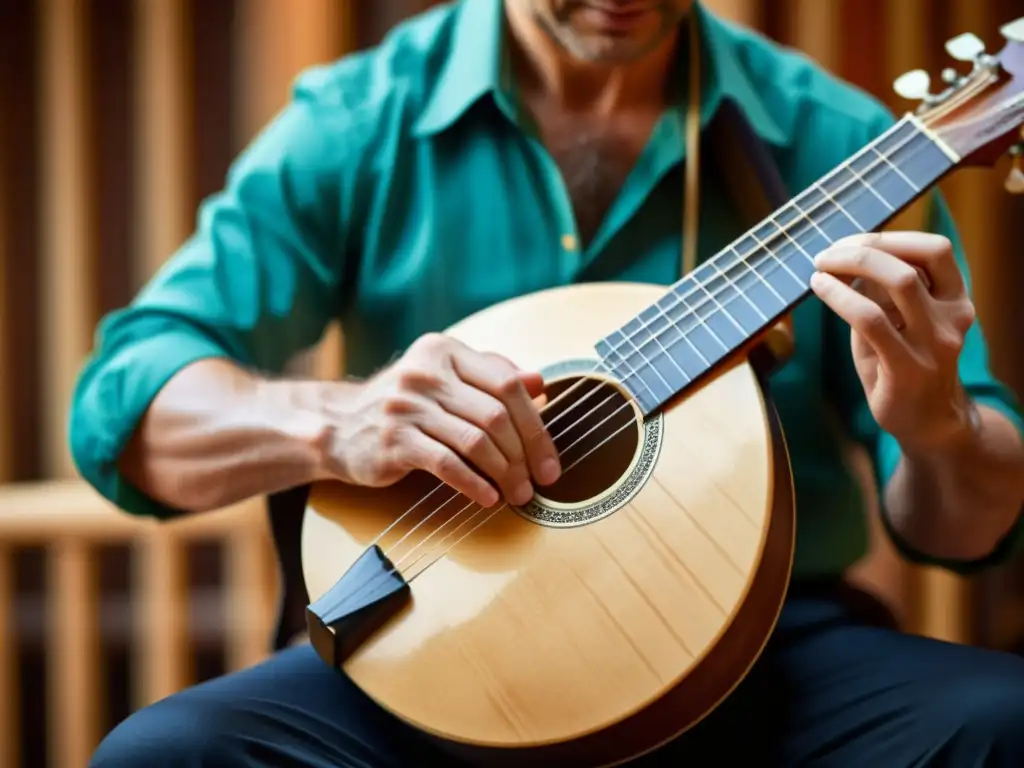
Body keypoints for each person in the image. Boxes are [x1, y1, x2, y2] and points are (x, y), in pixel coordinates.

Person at [74, 0, 1024, 765]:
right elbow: (127, 403)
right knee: (169, 752)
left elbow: (965, 531)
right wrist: (339, 418)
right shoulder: (364, 120)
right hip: (432, 649)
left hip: (757, 655)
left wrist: (940, 428)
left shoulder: (843, 146)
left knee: (1000, 720)